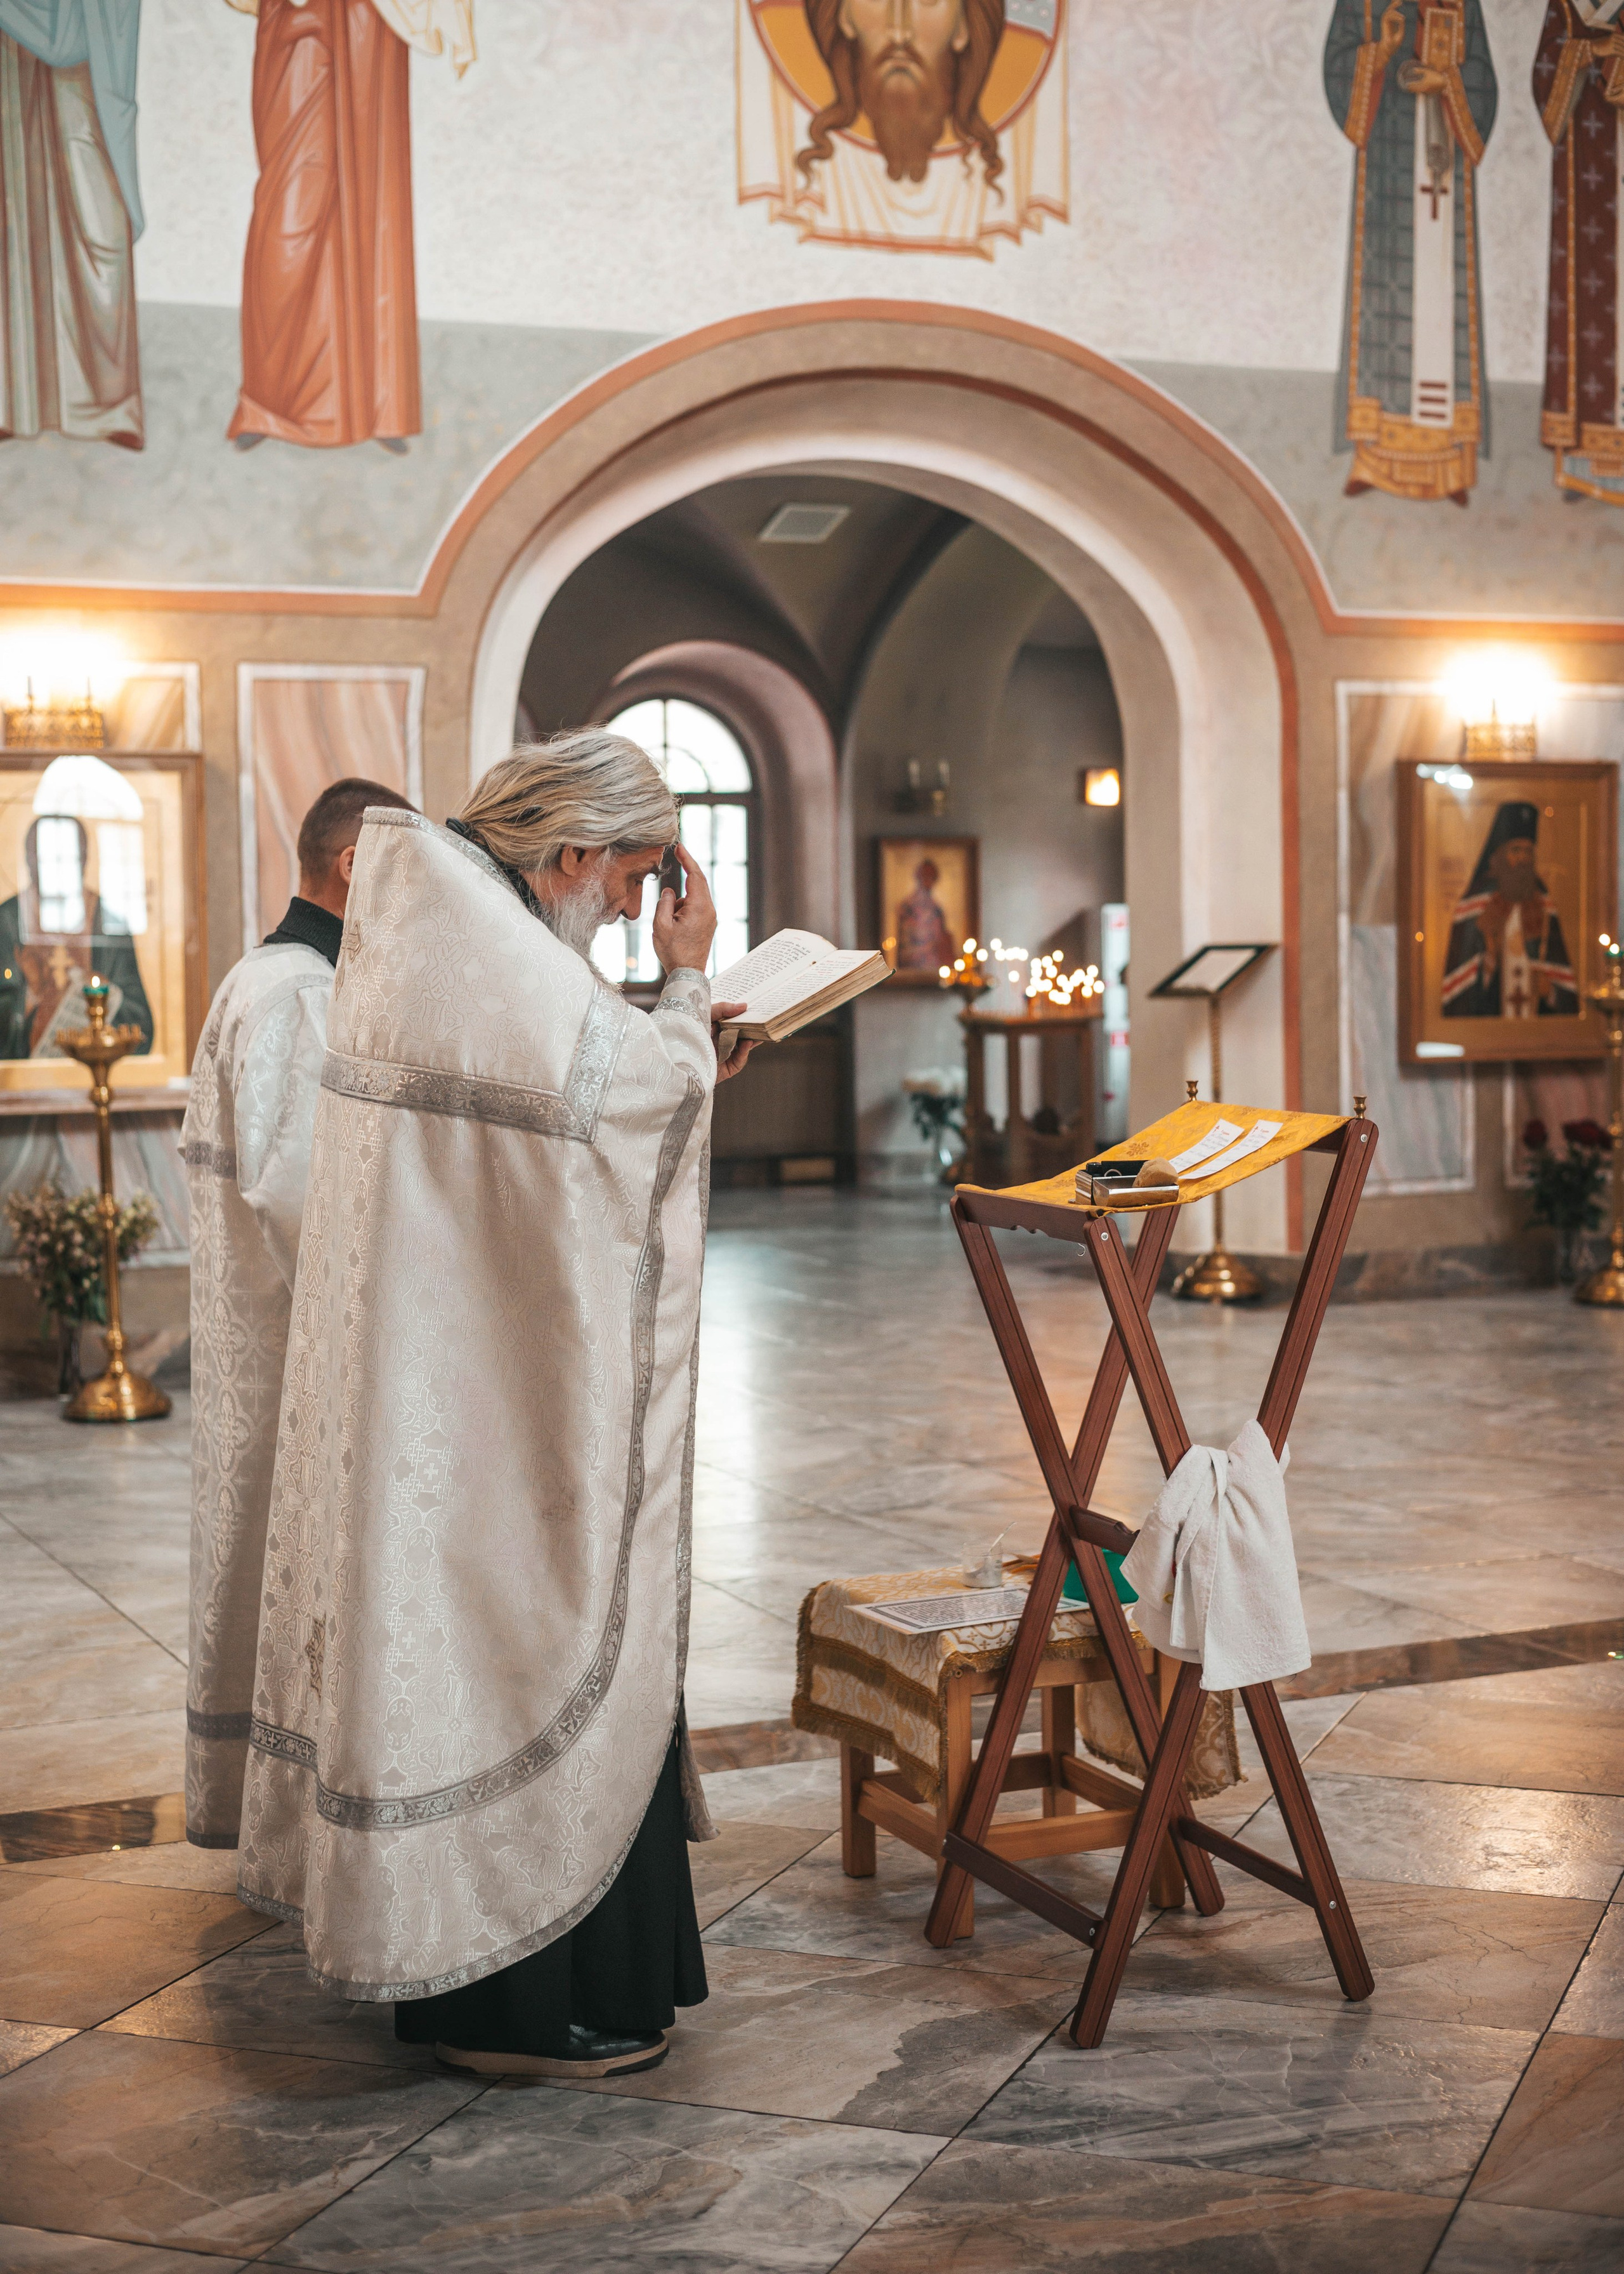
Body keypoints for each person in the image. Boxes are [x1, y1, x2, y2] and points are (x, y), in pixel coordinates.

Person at [237, 732, 756, 2081]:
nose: (638, 907)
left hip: (453, 1379)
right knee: (522, 1642)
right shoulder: (487, 936)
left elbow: (585, 1111)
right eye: (636, 879)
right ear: (574, 850)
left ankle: (501, 1972)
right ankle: (512, 2004)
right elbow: (636, 1098)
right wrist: (691, 981)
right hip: (488, 1405)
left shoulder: (439, 916)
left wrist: (676, 1028)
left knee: (472, 1653)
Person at [183, 775, 417, 1848]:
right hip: (297, 1351)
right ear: (356, 867)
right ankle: (298, 1823)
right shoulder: (293, 991)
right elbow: (302, 1192)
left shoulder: (286, 978)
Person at [0, 814, 154, 1060]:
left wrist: (104, 995)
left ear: (84, 860)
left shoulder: (108, 921)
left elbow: (141, 1026)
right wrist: (29, 996)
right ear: (30, 861)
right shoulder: (6, 921)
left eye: (70, 856)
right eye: (49, 857)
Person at [1441, 801, 1578, 1021]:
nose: (1523, 858)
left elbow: (1565, 986)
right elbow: (1460, 989)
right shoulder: (1475, 905)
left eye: (1528, 851)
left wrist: (1551, 991)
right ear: (1497, 857)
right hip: (1488, 1031)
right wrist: (1489, 962)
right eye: (1515, 850)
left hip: (1539, 1035)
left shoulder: (1544, 904)